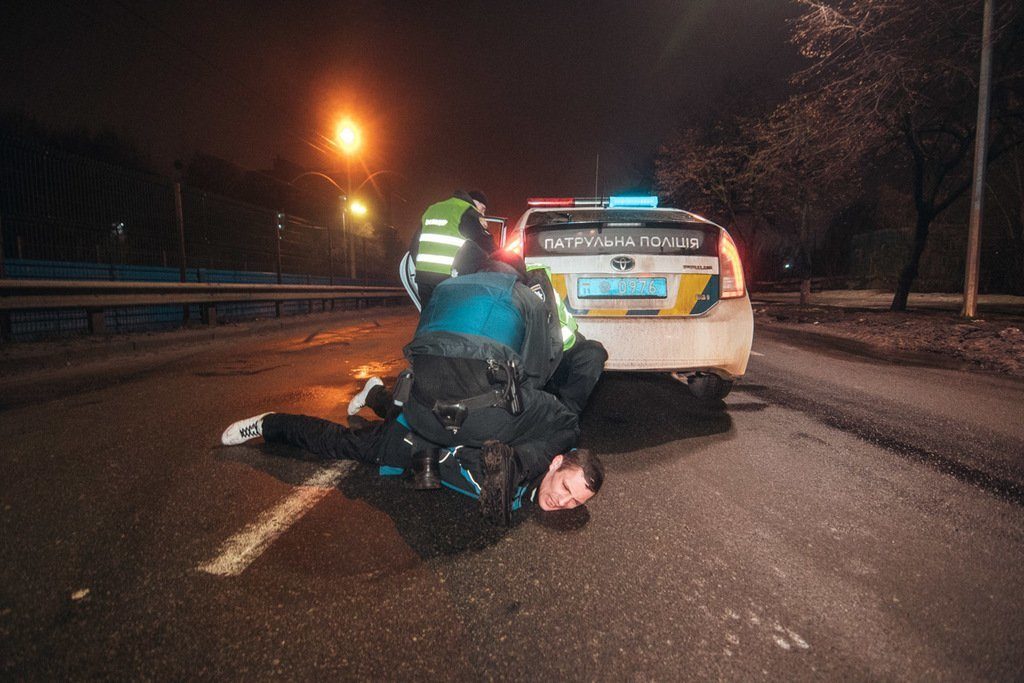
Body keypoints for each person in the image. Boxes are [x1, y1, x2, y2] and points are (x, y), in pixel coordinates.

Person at [219, 378, 604, 526]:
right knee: (336, 443)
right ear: (556, 463)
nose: (562, 501)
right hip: (413, 442)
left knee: (396, 411)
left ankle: (376, 394)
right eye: (567, 488)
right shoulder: (520, 467)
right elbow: (472, 456)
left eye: (573, 503)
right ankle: (269, 423)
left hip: (424, 426)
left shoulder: (532, 484)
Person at [402, 258, 584, 491]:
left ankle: (424, 464)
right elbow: (534, 372)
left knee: (437, 374)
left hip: (421, 416)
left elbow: (421, 352)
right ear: (517, 276)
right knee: (566, 423)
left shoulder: (443, 289)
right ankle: (515, 466)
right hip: (484, 420)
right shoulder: (525, 297)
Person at [408, 189, 495, 308]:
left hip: (424, 279)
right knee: (450, 321)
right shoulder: (468, 212)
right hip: (449, 280)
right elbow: (489, 247)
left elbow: (414, 247)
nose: (483, 214)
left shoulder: (432, 209)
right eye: (483, 209)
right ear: (476, 202)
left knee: (428, 321)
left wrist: (422, 269)